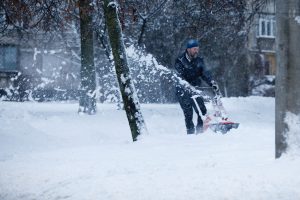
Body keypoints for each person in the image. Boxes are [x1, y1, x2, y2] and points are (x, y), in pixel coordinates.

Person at [174, 39, 219, 134]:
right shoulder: (180, 61)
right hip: (182, 91)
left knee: (202, 111)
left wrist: (212, 82)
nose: (196, 51)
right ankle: (190, 134)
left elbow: (205, 74)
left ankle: (200, 132)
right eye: (194, 49)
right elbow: (179, 76)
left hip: (196, 89)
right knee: (188, 113)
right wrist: (186, 85)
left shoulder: (199, 61)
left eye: (197, 49)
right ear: (188, 49)